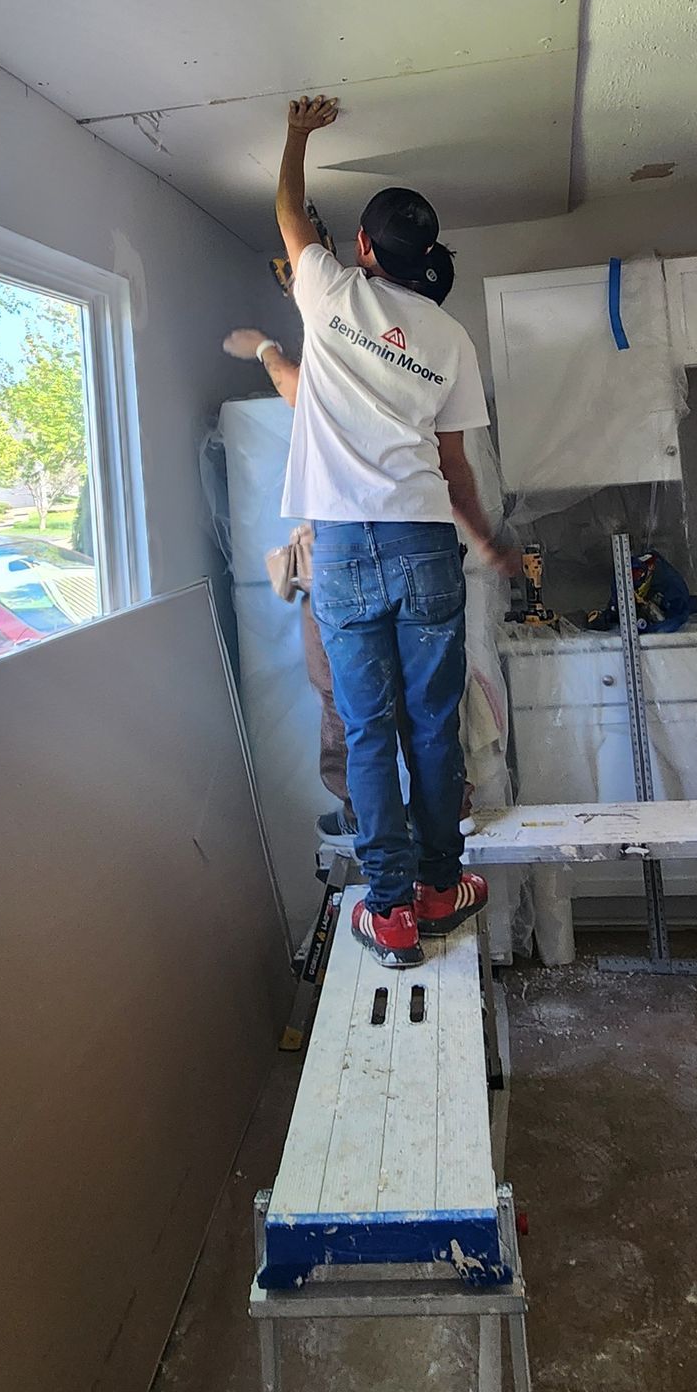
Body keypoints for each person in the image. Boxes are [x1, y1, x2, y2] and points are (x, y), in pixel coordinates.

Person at [251, 93, 513, 969]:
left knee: (367, 730)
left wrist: (297, 134)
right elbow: (456, 464)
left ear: (363, 248)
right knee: (434, 726)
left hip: (344, 548)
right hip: (423, 538)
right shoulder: (449, 337)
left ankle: (393, 913)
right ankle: (444, 886)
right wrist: (485, 539)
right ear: (425, 257)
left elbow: (289, 211)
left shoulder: (328, 291)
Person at [225, 244, 461, 843]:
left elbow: (294, 385)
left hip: (344, 547)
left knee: (352, 710)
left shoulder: (348, 357)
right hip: (422, 541)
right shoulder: (436, 348)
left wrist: (263, 347)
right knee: (427, 710)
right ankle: (439, 840)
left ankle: (377, 850)